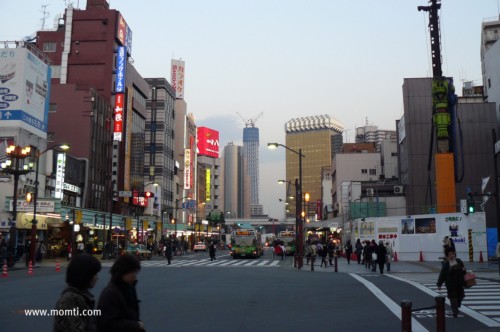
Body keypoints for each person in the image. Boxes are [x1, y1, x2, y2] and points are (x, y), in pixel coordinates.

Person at [53, 253, 102, 332]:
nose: (97, 277)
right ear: (86, 275)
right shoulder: (71, 300)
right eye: (94, 274)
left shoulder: (80, 296)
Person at [96, 254, 145, 332]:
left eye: (135, 272)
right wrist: (136, 325)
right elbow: (108, 324)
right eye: (132, 272)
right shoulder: (111, 293)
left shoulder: (128, 287)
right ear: (123, 271)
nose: (134, 276)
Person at [437, 248, 466, 317]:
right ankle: (455, 311)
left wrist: (464, 270)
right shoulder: (446, 264)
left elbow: (463, 270)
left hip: (459, 283)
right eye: (450, 254)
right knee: (453, 298)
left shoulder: (459, 261)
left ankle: (457, 306)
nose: (452, 255)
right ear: (447, 255)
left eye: (453, 254)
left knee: (460, 297)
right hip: (451, 284)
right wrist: (439, 284)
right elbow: (442, 274)